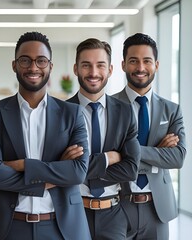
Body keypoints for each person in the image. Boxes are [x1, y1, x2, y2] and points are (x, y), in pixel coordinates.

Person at [0, 31, 91, 240]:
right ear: (14, 65)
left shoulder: (72, 114)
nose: (33, 67)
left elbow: (78, 172)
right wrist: (53, 173)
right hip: (7, 228)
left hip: (61, 228)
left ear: (50, 67)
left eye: (41, 61)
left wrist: (23, 165)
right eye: (25, 60)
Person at [113, 32, 186, 240]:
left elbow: (178, 158)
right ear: (123, 65)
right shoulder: (109, 107)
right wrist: (158, 155)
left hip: (158, 209)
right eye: (133, 61)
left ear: (157, 64)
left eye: (147, 61)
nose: (141, 68)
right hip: (118, 206)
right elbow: (106, 157)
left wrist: (127, 152)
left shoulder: (171, 110)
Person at [67, 38, 141, 239]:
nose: (93, 73)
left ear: (110, 70)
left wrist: (79, 169)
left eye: (100, 65)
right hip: (72, 211)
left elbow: (131, 169)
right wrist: (108, 159)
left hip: (113, 215)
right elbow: (59, 169)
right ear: (76, 69)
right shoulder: (60, 112)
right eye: (86, 65)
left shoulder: (125, 113)